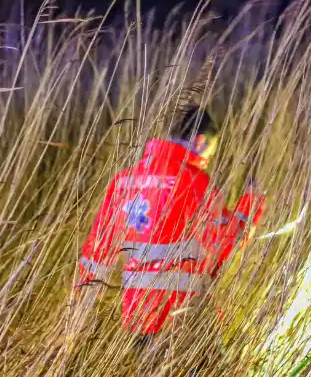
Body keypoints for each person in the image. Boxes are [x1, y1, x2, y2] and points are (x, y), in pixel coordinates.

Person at [73, 104, 265, 345]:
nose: (207, 160)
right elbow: (224, 242)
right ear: (200, 141)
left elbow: (98, 246)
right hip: (179, 314)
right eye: (210, 152)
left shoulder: (125, 181)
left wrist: (83, 296)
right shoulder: (194, 182)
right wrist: (251, 204)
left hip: (136, 315)